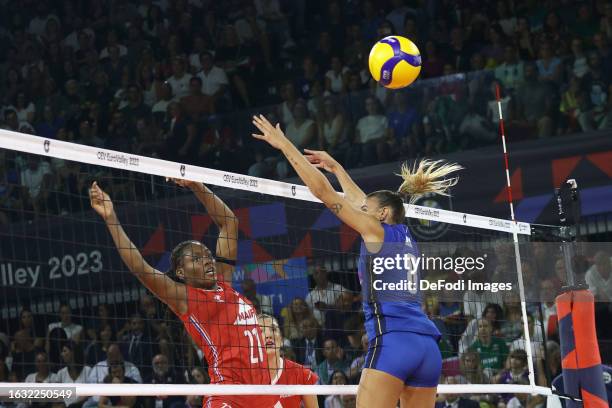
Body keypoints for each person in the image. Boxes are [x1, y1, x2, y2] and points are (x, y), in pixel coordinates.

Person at [252, 114, 459, 407]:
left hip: (395, 343)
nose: (360, 211)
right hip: (427, 348)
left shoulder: (375, 230)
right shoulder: (404, 236)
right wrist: (336, 167)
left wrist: (285, 145)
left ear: (382, 214)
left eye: (366, 210)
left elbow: (323, 193)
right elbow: (360, 199)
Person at [89, 179, 277, 408]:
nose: (207, 260)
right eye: (196, 259)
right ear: (181, 271)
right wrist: (111, 219)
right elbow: (140, 267)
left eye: (208, 255)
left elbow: (229, 223)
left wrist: (196, 185)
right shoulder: (185, 298)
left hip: (264, 392)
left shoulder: (223, 281)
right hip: (229, 395)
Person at [259, 314, 319, 408]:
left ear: (282, 338)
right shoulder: (242, 377)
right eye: (261, 331)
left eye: (273, 329)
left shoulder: (302, 374)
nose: (268, 335)